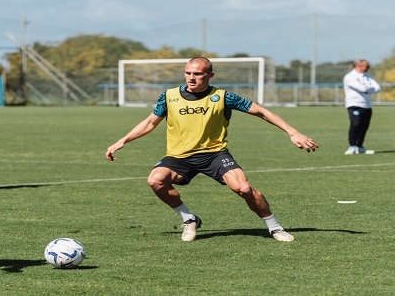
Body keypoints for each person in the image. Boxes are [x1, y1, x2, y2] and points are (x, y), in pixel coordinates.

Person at [105, 57, 318, 243]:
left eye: (197, 74)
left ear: (210, 75)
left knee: (243, 189)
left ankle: (275, 227)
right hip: (179, 157)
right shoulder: (169, 96)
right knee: (155, 180)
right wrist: (122, 140)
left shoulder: (223, 97)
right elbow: (150, 123)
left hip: (214, 155)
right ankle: (189, 219)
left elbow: (261, 111)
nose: (191, 78)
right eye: (188, 73)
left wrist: (293, 132)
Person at [343, 59, 381, 155]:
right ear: (358, 66)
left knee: (364, 126)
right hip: (355, 104)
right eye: (366, 66)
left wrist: (367, 89)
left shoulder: (368, 76)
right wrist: (368, 88)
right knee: (356, 124)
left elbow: (377, 88)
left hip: (367, 105)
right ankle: (352, 146)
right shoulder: (350, 77)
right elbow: (362, 88)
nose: (368, 68)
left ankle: (359, 146)